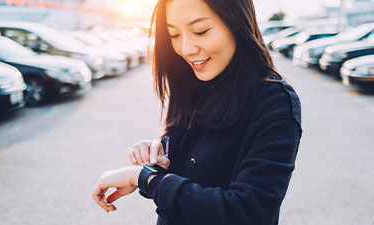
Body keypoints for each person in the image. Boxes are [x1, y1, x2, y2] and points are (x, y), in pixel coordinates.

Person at [91, 0, 302, 224]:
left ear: (237, 22)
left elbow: (248, 212)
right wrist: (157, 160)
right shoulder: (192, 81)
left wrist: (147, 179)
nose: (186, 48)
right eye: (174, 34)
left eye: (201, 31)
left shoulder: (275, 102)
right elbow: (184, 168)